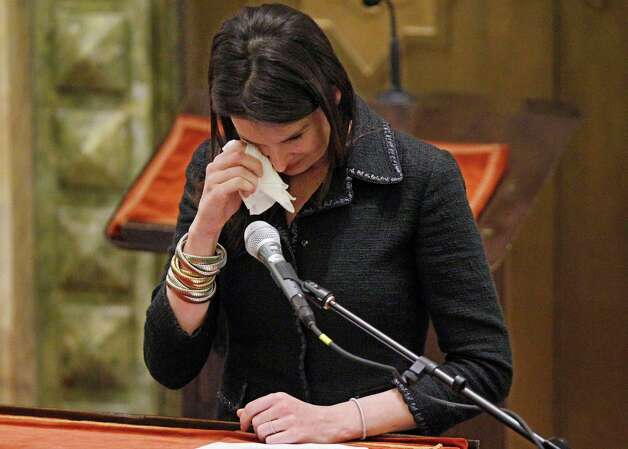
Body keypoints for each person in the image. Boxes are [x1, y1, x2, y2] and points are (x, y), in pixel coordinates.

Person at [144, 3, 512, 444]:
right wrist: (204, 231)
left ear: (333, 94)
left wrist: (341, 420)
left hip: (372, 440)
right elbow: (169, 365)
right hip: (249, 440)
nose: (278, 161)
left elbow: (483, 370)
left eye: (294, 137)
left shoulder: (421, 177)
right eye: (254, 140)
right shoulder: (216, 167)